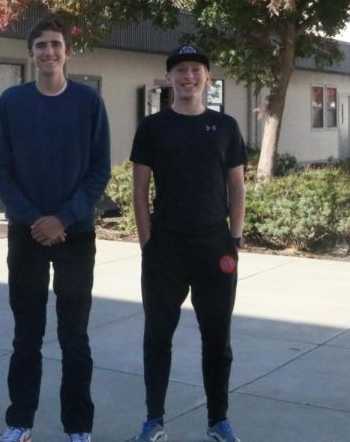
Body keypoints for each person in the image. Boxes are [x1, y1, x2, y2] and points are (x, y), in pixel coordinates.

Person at [0, 18, 111, 442]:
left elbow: (99, 170)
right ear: (31, 53)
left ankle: (78, 427)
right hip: (27, 234)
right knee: (27, 335)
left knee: (74, 335)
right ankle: (19, 422)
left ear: (68, 52)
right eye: (40, 45)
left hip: (75, 234)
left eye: (56, 45)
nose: (48, 52)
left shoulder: (88, 103)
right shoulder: (13, 102)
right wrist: (34, 219)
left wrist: (64, 218)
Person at [127, 44, 247, 442]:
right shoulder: (153, 128)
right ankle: (153, 420)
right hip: (165, 248)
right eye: (180, 71)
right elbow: (140, 190)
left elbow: (237, 185)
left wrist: (234, 239)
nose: (188, 77)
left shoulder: (226, 126)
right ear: (169, 79)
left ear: (207, 78)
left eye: (196, 70)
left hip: (214, 247)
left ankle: (219, 420)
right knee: (157, 337)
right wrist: (147, 244)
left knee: (217, 339)